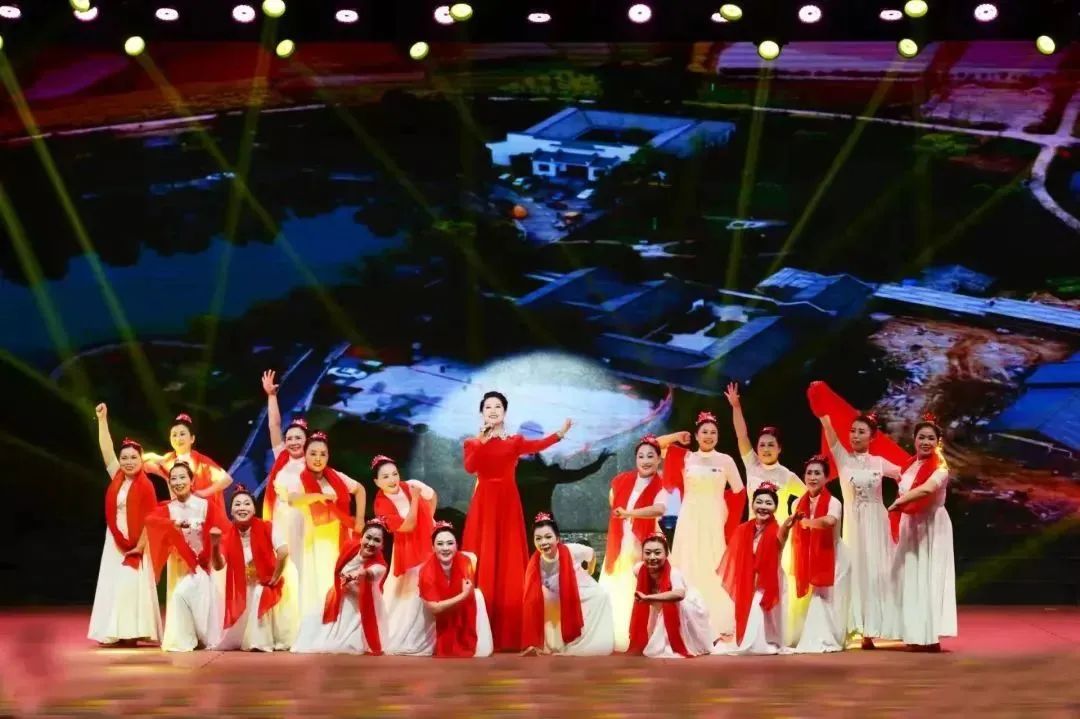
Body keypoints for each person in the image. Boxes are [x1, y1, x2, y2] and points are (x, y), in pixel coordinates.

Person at [461, 390, 572, 652]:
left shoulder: (515, 441)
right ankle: (480, 628)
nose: (493, 410)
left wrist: (560, 433)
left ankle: (509, 631)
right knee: (483, 555)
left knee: (508, 559)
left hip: (508, 503)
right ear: (482, 412)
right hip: (484, 504)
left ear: (504, 412)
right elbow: (470, 467)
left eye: (497, 406)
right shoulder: (472, 442)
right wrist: (481, 440)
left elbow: (538, 446)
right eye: (488, 407)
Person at [808, 381, 905, 648]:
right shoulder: (843, 459)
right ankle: (859, 629)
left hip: (876, 524)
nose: (855, 435)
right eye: (852, 431)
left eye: (861, 432)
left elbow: (906, 475)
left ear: (872, 437)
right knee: (856, 572)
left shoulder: (879, 463)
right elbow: (830, 433)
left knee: (877, 572)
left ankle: (878, 627)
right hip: (853, 524)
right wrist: (822, 411)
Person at [661, 411, 745, 640]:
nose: (709, 436)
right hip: (689, 518)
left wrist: (729, 522)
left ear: (718, 436)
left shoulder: (725, 460)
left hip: (715, 520)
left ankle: (716, 622)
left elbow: (739, 493)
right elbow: (653, 445)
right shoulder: (686, 457)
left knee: (713, 564)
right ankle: (686, 619)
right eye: (704, 432)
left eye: (713, 432)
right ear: (696, 435)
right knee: (687, 563)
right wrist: (677, 436)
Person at [88, 403, 162, 647]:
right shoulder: (117, 477)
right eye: (124, 458)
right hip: (115, 540)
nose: (128, 462)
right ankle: (112, 631)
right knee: (113, 583)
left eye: (133, 458)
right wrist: (102, 420)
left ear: (141, 459)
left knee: (131, 586)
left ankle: (132, 632)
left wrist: (140, 547)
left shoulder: (147, 486)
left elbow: (151, 519)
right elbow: (106, 449)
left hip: (138, 542)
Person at [887, 415, 957, 652]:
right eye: (921, 437)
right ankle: (915, 633)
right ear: (914, 439)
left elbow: (927, 489)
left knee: (929, 578)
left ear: (938, 442)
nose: (925, 442)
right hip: (910, 524)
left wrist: (899, 502)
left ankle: (930, 636)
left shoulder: (941, 468)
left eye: (930, 438)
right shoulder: (909, 466)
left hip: (932, 525)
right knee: (910, 577)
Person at [145, 462, 229, 652]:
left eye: (182, 477)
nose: (178, 482)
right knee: (179, 598)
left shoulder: (205, 506)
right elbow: (150, 521)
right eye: (173, 479)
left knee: (200, 603)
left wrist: (214, 549)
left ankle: (200, 637)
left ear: (192, 481)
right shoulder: (168, 508)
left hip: (203, 565)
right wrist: (171, 525)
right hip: (179, 564)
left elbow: (224, 531)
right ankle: (186, 638)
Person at [598, 435, 668, 651]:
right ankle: (611, 634)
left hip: (643, 546)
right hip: (619, 542)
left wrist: (630, 513)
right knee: (614, 586)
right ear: (635, 459)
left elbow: (659, 509)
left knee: (637, 587)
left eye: (651, 456)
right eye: (641, 456)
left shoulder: (662, 484)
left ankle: (638, 635)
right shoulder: (621, 480)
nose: (645, 461)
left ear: (659, 459)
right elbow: (613, 502)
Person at [714, 483, 798, 656]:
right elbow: (735, 557)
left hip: (770, 579)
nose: (763, 507)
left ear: (775, 507)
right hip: (749, 578)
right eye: (759, 502)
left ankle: (765, 642)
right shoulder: (743, 529)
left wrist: (787, 526)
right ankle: (754, 641)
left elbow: (781, 538)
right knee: (753, 613)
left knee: (765, 613)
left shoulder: (777, 529)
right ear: (752, 505)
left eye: (768, 503)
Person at [290, 431, 367, 617]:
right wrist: (319, 496)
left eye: (322, 454)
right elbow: (292, 499)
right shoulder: (298, 478)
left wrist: (360, 519)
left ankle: (339, 622)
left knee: (341, 581)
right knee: (318, 584)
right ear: (305, 455)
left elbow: (360, 489)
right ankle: (319, 622)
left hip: (340, 536)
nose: (318, 459)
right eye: (313, 453)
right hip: (314, 539)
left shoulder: (335, 476)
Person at [211, 489, 298, 651]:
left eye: (247, 504)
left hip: (274, 578)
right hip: (244, 585)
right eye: (237, 504)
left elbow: (283, 551)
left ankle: (260, 642)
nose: (242, 508)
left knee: (260, 592)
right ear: (231, 511)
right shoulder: (228, 535)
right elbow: (218, 565)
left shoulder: (268, 527)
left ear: (254, 509)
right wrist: (215, 546)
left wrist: (275, 577)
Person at [291, 518, 389, 655]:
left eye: (377, 540)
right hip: (338, 596)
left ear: (382, 545)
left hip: (360, 608)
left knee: (347, 643)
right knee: (309, 621)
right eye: (368, 537)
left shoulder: (380, 565)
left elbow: (371, 573)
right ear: (362, 538)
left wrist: (360, 573)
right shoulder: (350, 547)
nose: (371, 543)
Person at [521, 513, 614, 656]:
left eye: (548, 537)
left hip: (583, 590)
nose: (543, 542)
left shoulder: (572, 550)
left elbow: (591, 554)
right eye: (538, 538)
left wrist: (589, 571)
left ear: (557, 538)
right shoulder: (535, 564)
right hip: (560, 598)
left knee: (602, 597)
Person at [371, 455, 437, 655]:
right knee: (409, 593)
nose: (392, 480)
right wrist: (415, 499)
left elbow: (432, 496)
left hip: (428, 543)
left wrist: (429, 521)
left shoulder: (412, 484)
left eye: (394, 474)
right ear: (377, 482)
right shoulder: (381, 505)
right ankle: (409, 636)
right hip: (407, 550)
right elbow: (407, 526)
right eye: (385, 477)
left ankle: (434, 635)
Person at [789, 456, 850, 653]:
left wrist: (807, 523)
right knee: (818, 601)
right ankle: (818, 638)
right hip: (812, 556)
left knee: (833, 603)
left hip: (834, 558)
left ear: (826, 478)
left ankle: (832, 639)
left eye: (817, 473)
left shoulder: (833, 502)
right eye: (809, 473)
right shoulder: (797, 503)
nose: (812, 477)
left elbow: (829, 522)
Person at [723, 383, 804, 521]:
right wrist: (736, 407)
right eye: (762, 445)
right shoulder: (752, 464)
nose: (766, 449)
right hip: (753, 531)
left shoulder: (787, 476)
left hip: (778, 533)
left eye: (771, 445)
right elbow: (742, 435)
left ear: (779, 448)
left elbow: (810, 499)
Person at [627, 533, 714, 658]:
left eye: (657, 553)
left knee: (672, 612)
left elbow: (679, 594)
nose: (652, 557)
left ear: (666, 554)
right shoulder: (638, 569)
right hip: (660, 603)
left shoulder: (674, 573)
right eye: (647, 553)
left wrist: (648, 598)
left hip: (687, 604)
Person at [258, 370, 309, 577]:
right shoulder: (282, 457)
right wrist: (271, 396)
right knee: (280, 564)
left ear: (307, 441)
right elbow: (274, 425)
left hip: (304, 522)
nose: (293, 442)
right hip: (279, 518)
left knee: (299, 569)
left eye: (298, 438)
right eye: (290, 438)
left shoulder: (314, 464)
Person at [418, 521, 494, 658]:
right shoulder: (426, 572)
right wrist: (462, 595)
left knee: (478, 595)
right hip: (438, 612)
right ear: (433, 547)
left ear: (456, 545)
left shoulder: (465, 561)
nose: (445, 548)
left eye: (450, 543)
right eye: (440, 544)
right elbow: (435, 608)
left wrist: (465, 595)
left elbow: (468, 590)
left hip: (463, 608)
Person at [143, 413, 233, 516]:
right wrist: (156, 459)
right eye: (174, 435)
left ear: (192, 439)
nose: (178, 439)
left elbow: (227, 479)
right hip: (180, 513)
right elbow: (144, 464)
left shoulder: (201, 461)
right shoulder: (168, 460)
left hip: (203, 513)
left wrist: (203, 493)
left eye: (182, 434)